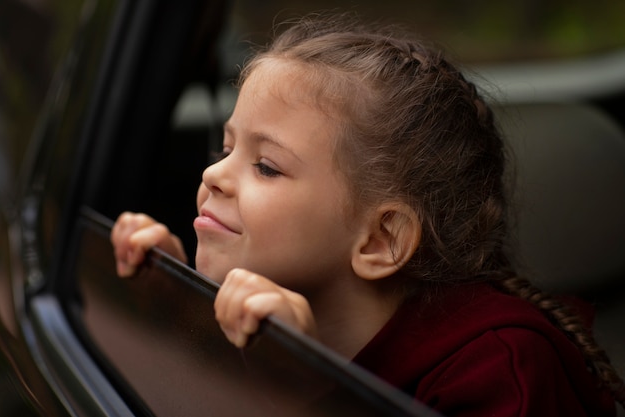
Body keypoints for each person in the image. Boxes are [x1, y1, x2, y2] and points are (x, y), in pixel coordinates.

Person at [111, 12, 624, 416]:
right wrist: (177, 310)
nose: (214, 175)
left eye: (266, 166)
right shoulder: (265, 321)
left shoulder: (500, 374)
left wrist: (300, 388)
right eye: (226, 148)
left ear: (380, 241)